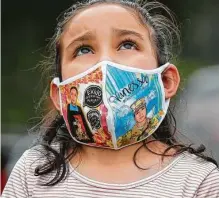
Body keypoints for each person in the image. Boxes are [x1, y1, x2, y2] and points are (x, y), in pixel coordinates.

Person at [2, 0, 219, 197]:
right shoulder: (33, 173)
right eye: (84, 49)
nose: (105, 63)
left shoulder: (198, 181)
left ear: (165, 81)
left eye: (127, 44)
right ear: (60, 95)